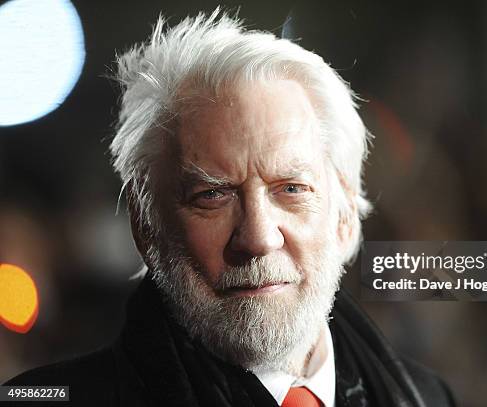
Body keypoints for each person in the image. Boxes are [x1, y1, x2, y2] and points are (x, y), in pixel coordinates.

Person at [5, 9, 454, 407]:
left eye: (291, 189)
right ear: (146, 228)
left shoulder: (431, 397)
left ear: (343, 215)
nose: (258, 236)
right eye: (212, 196)